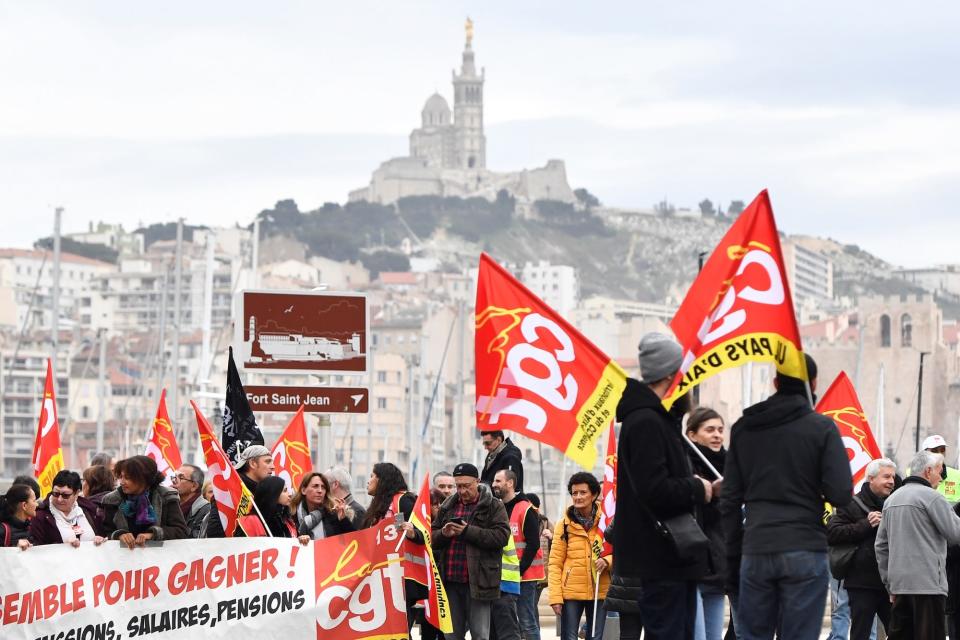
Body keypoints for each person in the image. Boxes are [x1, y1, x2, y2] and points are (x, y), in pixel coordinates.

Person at [720, 353, 853, 640]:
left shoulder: (744, 428)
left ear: (776, 382)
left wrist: (732, 554)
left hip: (756, 546)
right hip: (805, 546)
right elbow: (841, 493)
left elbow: (729, 500)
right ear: (813, 383)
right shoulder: (821, 428)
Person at [606, 333, 710, 640]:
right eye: (685, 375)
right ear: (671, 376)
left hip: (671, 558)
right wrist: (697, 488)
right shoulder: (646, 423)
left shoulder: (656, 420)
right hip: (661, 556)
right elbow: (654, 490)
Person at [876, 449, 960, 639]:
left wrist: (890, 583)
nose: (941, 477)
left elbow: (880, 546)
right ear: (928, 471)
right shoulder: (933, 498)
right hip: (929, 586)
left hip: (899, 586)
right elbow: (955, 534)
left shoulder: (891, 501)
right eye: (940, 471)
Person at [433, 463, 511, 640]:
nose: (461, 491)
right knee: (451, 636)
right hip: (450, 581)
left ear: (477, 482)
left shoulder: (493, 506)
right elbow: (432, 537)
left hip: (479, 582)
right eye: (458, 486)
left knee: (480, 635)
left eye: (466, 486)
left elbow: (501, 537)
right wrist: (444, 534)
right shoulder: (448, 506)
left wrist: (467, 531)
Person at [827, 458, 897, 640]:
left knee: (898, 630)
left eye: (893, 477)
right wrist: (865, 524)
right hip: (861, 584)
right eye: (886, 476)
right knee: (861, 633)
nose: (891, 481)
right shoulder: (852, 504)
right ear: (871, 479)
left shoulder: (895, 503)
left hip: (890, 582)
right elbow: (833, 533)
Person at [361, 462, 428, 634]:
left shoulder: (401, 502)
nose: (368, 481)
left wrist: (413, 533)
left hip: (399, 579)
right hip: (378, 578)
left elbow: (419, 532)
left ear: (382, 480)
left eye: (372, 476)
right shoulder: (380, 505)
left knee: (399, 631)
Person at [548, 472, 611, 640]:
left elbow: (620, 550)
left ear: (594, 495)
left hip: (600, 590)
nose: (578, 497)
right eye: (574, 493)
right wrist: (555, 597)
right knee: (568, 637)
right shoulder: (564, 525)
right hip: (571, 593)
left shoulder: (606, 523)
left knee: (595, 637)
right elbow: (555, 563)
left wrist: (607, 561)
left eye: (583, 492)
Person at [686, 406, 728, 640]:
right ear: (692, 435)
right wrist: (706, 491)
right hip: (692, 566)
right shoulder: (683, 467)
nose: (717, 435)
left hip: (719, 568)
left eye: (721, 430)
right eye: (709, 429)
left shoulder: (730, 466)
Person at [493, 469, 543, 640]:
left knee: (526, 621)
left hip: (525, 575)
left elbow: (533, 544)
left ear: (510, 483)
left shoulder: (526, 508)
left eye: (498, 481)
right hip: (506, 574)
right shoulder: (497, 507)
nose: (494, 485)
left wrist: (520, 570)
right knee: (510, 622)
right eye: (494, 481)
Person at [101, 455, 189, 547]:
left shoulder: (166, 497)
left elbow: (181, 531)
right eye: (121, 477)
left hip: (159, 559)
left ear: (143, 478)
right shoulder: (112, 500)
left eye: (127, 478)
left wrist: (152, 534)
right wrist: (119, 535)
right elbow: (105, 532)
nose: (122, 482)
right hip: (123, 558)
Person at [204, 444, 274, 537]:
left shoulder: (268, 492)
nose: (273, 467)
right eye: (267, 462)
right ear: (253, 463)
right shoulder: (228, 490)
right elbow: (215, 533)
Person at [28, 470, 106, 547]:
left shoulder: (90, 509)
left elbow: (103, 535)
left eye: (65, 495)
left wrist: (99, 539)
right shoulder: (40, 516)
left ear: (76, 494)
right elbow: (36, 549)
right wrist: (62, 546)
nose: (59, 499)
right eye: (56, 494)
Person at [292, 472, 355, 539]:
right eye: (315, 486)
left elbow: (352, 541)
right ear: (303, 490)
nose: (320, 491)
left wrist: (343, 520)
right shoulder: (291, 515)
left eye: (323, 487)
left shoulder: (333, 514)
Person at [172, 464, 210, 539]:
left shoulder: (206, 510)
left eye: (181, 477)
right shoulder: (171, 506)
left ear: (194, 486)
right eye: (174, 477)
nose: (174, 481)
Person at [921, 435, 960, 504]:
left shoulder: (957, 475)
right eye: (934, 450)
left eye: (942, 450)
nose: (939, 453)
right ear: (924, 453)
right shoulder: (913, 474)